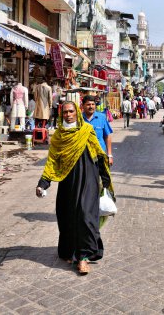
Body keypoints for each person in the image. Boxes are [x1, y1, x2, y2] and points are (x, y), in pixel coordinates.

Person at [36, 101, 113, 275]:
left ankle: (84, 258)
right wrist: (43, 183)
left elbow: (99, 154)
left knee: (85, 216)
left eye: (71, 111)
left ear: (77, 112)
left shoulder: (87, 130)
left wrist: (106, 180)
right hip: (68, 181)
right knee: (68, 217)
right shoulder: (59, 137)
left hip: (89, 179)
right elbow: (52, 161)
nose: (68, 115)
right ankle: (70, 251)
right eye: (65, 112)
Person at [82, 95, 113, 166]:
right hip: (83, 156)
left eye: (93, 104)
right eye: (88, 104)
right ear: (83, 106)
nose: (91, 106)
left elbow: (107, 136)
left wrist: (109, 155)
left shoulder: (102, 117)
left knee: (99, 176)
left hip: (100, 155)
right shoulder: (79, 119)